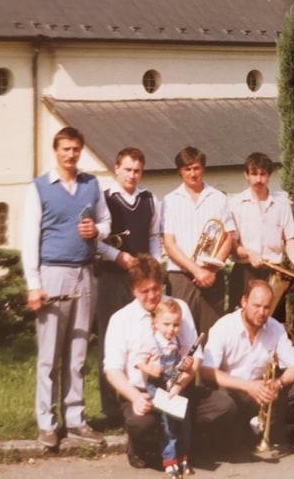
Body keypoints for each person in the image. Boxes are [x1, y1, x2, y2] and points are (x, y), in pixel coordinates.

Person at [21, 126, 112, 449]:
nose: (71, 154)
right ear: (56, 151)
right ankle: (47, 423)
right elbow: (29, 238)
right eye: (65, 149)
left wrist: (96, 230)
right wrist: (34, 285)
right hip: (53, 273)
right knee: (49, 355)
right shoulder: (40, 187)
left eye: (75, 149)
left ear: (80, 151)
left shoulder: (91, 184)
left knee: (78, 352)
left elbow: (106, 222)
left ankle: (75, 420)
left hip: (85, 273)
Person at [104, 255, 201, 469]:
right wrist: (135, 397)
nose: (152, 296)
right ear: (133, 290)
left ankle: (181, 448)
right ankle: (144, 448)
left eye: (156, 288)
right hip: (142, 391)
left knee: (219, 408)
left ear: (162, 284)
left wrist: (180, 384)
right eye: (144, 291)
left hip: (176, 386)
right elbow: (112, 369)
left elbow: (195, 355)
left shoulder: (179, 308)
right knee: (142, 424)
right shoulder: (121, 319)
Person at [198, 280, 294, 454]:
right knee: (224, 405)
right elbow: (206, 371)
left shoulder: (275, 327)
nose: (262, 312)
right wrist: (248, 386)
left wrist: (277, 384)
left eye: (266, 307)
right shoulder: (224, 327)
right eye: (257, 306)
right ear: (244, 302)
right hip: (231, 393)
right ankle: (241, 434)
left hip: (261, 395)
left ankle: (263, 431)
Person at [97, 147, 161, 423]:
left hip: (143, 281)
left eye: (137, 171)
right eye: (127, 169)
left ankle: (143, 399)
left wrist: (155, 268)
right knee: (110, 341)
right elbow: (95, 242)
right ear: (116, 168)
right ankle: (111, 410)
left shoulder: (150, 200)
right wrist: (117, 256)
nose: (132, 175)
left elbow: (154, 236)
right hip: (112, 277)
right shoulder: (103, 199)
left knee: (144, 337)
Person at [228, 152, 294, 319]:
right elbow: (232, 245)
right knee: (240, 322)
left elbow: (289, 240)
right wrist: (249, 253)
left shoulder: (282, 203)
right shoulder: (235, 204)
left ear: (269, 175)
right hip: (245, 272)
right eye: (254, 174)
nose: (258, 179)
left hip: (274, 274)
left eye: (263, 174)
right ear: (246, 175)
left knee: (273, 324)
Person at [162, 146, 235, 335]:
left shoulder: (219, 198)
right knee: (180, 332)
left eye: (196, 168)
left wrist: (212, 269)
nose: (192, 173)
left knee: (213, 333)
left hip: (212, 276)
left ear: (203, 168)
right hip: (180, 277)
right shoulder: (170, 200)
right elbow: (169, 243)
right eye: (187, 169)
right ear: (180, 171)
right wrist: (196, 270)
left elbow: (229, 237)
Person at [136, 299, 194, 477]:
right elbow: (138, 362)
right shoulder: (152, 342)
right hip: (157, 386)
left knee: (183, 421)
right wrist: (151, 369)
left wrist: (186, 363)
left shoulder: (177, 341)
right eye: (166, 324)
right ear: (155, 323)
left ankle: (183, 455)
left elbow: (180, 364)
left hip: (173, 385)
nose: (171, 329)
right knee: (167, 423)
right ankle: (169, 459)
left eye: (176, 325)